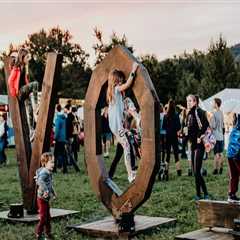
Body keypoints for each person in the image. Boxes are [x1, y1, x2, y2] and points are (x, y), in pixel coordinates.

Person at [107, 62, 139, 183]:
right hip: (116, 126)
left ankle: (131, 172)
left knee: (127, 146)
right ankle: (130, 174)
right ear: (115, 80)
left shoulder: (115, 94)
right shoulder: (115, 90)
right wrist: (133, 70)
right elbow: (128, 84)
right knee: (126, 147)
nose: (121, 81)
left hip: (116, 125)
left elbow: (122, 110)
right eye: (119, 79)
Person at [8, 48, 39, 141]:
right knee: (35, 84)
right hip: (20, 92)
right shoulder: (17, 68)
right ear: (22, 57)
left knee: (29, 111)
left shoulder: (24, 67)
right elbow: (10, 81)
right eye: (27, 57)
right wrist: (14, 93)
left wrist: (28, 88)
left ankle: (31, 131)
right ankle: (36, 105)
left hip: (24, 92)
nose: (28, 59)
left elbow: (25, 81)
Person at [186, 94, 209, 200]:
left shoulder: (199, 112)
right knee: (196, 171)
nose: (188, 103)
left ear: (195, 102)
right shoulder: (189, 114)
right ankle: (203, 193)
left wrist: (200, 136)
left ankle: (201, 194)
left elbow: (205, 125)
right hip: (193, 145)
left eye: (190, 101)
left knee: (196, 171)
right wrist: (183, 134)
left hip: (200, 145)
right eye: (187, 101)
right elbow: (188, 129)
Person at [35, 152, 56, 240]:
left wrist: (53, 192)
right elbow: (40, 181)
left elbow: (49, 184)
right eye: (51, 162)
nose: (53, 164)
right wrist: (46, 190)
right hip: (41, 199)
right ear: (44, 163)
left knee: (48, 217)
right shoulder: (44, 173)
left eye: (53, 162)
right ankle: (38, 233)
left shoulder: (48, 172)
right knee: (43, 217)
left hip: (46, 199)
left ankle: (48, 233)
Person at [162, 99, 182, 179]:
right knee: (176, 154)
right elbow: (179, 127)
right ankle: (179, 171)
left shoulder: (165, 116)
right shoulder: (176, 115)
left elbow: (163, 127)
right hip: (174, 136)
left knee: (167, 155)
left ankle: (166, 171)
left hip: (167, 136)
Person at [227, 114, 240, 202]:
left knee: (234, 175)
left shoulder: (234, 129)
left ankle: (231, 195)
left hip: (230, 154)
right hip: (238, 154)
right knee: (235, 175)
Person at [210, 98, 225, 175]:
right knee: (221, 153)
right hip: (221, 136)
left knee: (216, 153)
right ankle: (221, 168)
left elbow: (213, 126)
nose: (212, 104)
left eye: (213, 103)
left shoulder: (214, 114)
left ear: (216, 104)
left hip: (215, 136)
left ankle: (215, 169)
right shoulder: (221, 113)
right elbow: (222, 125)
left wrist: (210, 119)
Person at [64, 104, 80, 172]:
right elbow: (74, 126)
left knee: (70, 151)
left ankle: (72, 163)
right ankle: (73, 162)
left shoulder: (71, 117)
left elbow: (69, 127)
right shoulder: (73, 116)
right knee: (72, 150)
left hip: (71, 136)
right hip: (73, 135)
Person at [54, 104, 68, 173]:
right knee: (63, 155)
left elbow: (57, 130)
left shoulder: (58, 119)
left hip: (59, 139)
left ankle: (54, 169)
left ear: (56, 109)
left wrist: (55, 138)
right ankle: (65, 169)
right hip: (63, 138)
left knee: (55, 154)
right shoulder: (64, 118)